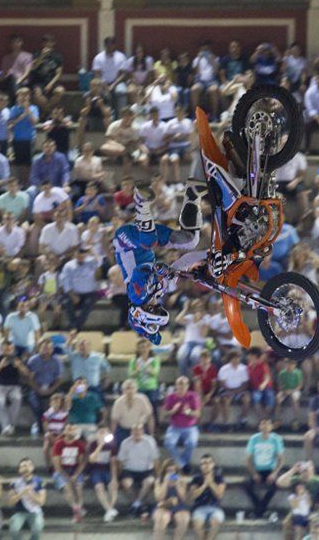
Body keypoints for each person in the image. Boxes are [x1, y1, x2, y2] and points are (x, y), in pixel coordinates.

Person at [113, 185, 202, 343]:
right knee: (190, 240)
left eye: (152, 321)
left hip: (125, 242)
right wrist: (208, 254)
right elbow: (181, 264)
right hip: (145, 237)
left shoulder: (137, 296)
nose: (157, 316)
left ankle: (141, 200)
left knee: (148, 241)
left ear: (141, 316)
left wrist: (157, 270)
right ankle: (193, 195)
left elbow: (141, 270)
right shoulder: (160, 290)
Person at [244, 418, 285, 519]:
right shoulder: (253, 439)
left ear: (271, 427)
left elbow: (281, 459)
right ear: (259, 426)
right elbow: (248, 460)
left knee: (275, 485)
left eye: (268, 424)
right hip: (257, 469)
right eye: (263, 424)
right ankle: (262, 509)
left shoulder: (276, 439)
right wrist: (254, 473)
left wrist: (274, 473)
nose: (265, 426)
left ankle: (258, 511)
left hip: (270, 470)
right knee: (247, 485)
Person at [117, 424, 160, 517]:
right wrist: (118, 476)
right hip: (129, 470)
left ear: (143, 431)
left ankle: (136, 505)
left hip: (146, 470)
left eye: (139, 430)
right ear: (131, 432)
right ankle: (137, 505)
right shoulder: (125, 442)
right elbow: (120, 461)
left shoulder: (150, 441)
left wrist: (158, 476)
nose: (137, 432)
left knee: (148, 482)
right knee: (126, 483)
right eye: (135, 430)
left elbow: (155, 460)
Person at [163, 376, 201, 472]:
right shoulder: (170, 397)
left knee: (191, 443)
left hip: (190, 427)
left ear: (188, 385)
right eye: (179, 384)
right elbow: (164, 414)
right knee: (169, 443)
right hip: (174, 427)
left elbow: (198, 414)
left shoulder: (193, 396)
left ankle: (181, 464)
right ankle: (183, 465)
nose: (181, 386)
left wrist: (188, 412)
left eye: (184, 384)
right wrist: (172, 411)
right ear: (176, 385)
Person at [51, 422, 88, 523]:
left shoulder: (79, 444)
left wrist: (75, 475)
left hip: (74, 469)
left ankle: (78, 509)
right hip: (61, 470)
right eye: (68, 429)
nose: (71, 431)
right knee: (67, 488)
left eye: (73, 429)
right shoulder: (58, 444)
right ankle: (76, 509)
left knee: (79, 487)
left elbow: (81, 463)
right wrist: (68, 477)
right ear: (64, 431)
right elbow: (57, 466)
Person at [152, 460, 191, 540]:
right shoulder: (159, 481)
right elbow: (159, 498)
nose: (171, 473)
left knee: (183, 520)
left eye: (173, 471)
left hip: (179, 506)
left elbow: (184, 499)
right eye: (168, 471)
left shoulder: (181, 481)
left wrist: (177, 484)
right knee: (161, 519)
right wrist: (165, 482)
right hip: (163, 506)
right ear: (164, 471)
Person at [8, 457, 47, 539]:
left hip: (35, 512)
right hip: (20, 512)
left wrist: (31, 494)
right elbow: (11, 502)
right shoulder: (15, 483)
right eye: (23, 466)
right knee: (14, 529)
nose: (26, 468)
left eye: (28, 465)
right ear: (19, 469)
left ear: (32, 467)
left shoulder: (39, 481)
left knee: (37, 528)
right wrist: (22, 493)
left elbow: (41, 502)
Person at [190, 453, 226, 540]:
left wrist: (211, 483)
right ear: (201, 466)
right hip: (199, 508)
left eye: (208, 463)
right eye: (203, 463)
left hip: (215, 508)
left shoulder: (219, 478)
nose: (206, 465)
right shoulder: (196, 478)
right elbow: (193, 495)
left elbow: (220, 495)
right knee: (197, 524)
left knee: (215, 522)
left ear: (213, 464)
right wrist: (204, 485)